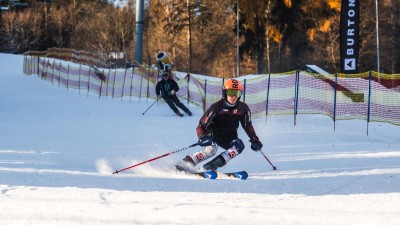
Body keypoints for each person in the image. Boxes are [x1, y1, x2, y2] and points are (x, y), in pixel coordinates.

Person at [175, 78, 263, 171]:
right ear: (225, 93)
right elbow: (201, 125)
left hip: (230, 137)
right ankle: (183, 164)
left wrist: (255, 139)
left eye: (237, 93)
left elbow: (247, 125)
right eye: (231, 93)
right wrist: (202, 137)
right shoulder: (216, 107)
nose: (234, 97)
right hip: (213, 135)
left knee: (239, 146)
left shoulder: (243, 108)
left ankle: (209, 167)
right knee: (211, 150)